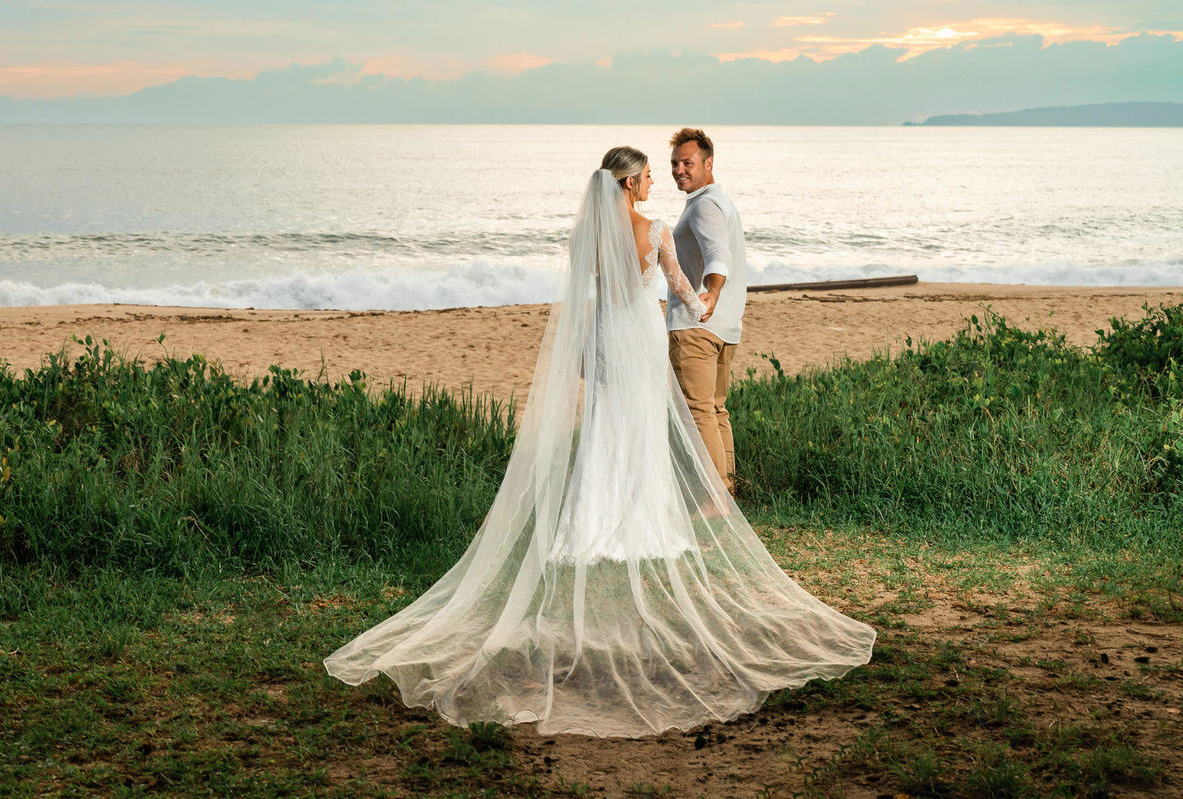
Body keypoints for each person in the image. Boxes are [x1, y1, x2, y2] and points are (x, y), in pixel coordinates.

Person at [324, 147, 874, 738]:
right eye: (647, 176)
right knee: (642, 425)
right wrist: (706, 303)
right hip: (639, 334)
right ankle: (644, 519)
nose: (656, 181)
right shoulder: (655, 229)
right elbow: (683, 290)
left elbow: (587, 295)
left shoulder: (587, 237)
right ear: (633, 183)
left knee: (607, 423)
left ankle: (592, 521)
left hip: (609, 335)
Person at [667, 128, 745, 495]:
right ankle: (727, 491)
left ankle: (715, 498)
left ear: (708, 163)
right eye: (675, 163)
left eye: (688, 162)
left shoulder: (704, 206)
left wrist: (710, 292)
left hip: (697, 325)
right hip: (724, 326)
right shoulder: (718, 201)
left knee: (699, 413)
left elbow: (718, 255)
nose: (679, 169)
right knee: (715, 410)